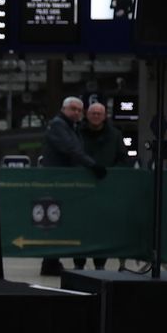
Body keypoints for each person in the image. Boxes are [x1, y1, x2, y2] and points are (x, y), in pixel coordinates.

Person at [38, 96, 105, 274]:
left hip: (64, 182)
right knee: (54, 222)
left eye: (79, 110)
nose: (76, 112)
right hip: (57, 182)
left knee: (57, 222)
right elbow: (71, 149)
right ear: (64, 109)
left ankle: (51, 261)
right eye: (73, 109)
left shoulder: (71, 127)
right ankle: (50, 262)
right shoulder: (59, 125)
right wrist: (92, 165)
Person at [77, 102, 128, 269]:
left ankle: (100, 263)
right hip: (82, 186)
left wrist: (111, 173)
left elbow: (124, 159)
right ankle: (79, 262)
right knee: (82, 227)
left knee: (103, 227)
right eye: (93, 113)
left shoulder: (115, 135)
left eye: (99, 113)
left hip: (106, 187)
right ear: (87, 115)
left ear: (105, 116)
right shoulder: (77, 133)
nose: (96, 116)